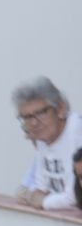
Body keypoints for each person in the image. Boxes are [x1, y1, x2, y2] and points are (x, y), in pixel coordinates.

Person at [11, 78, 82, 210]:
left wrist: (44, 202)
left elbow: (76, 197)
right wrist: (41, 198)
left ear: (60, 109)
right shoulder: (44, 138)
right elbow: (39, 189)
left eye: (40, 113)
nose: (34, 123)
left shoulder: (77, 131)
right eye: (27, 117)